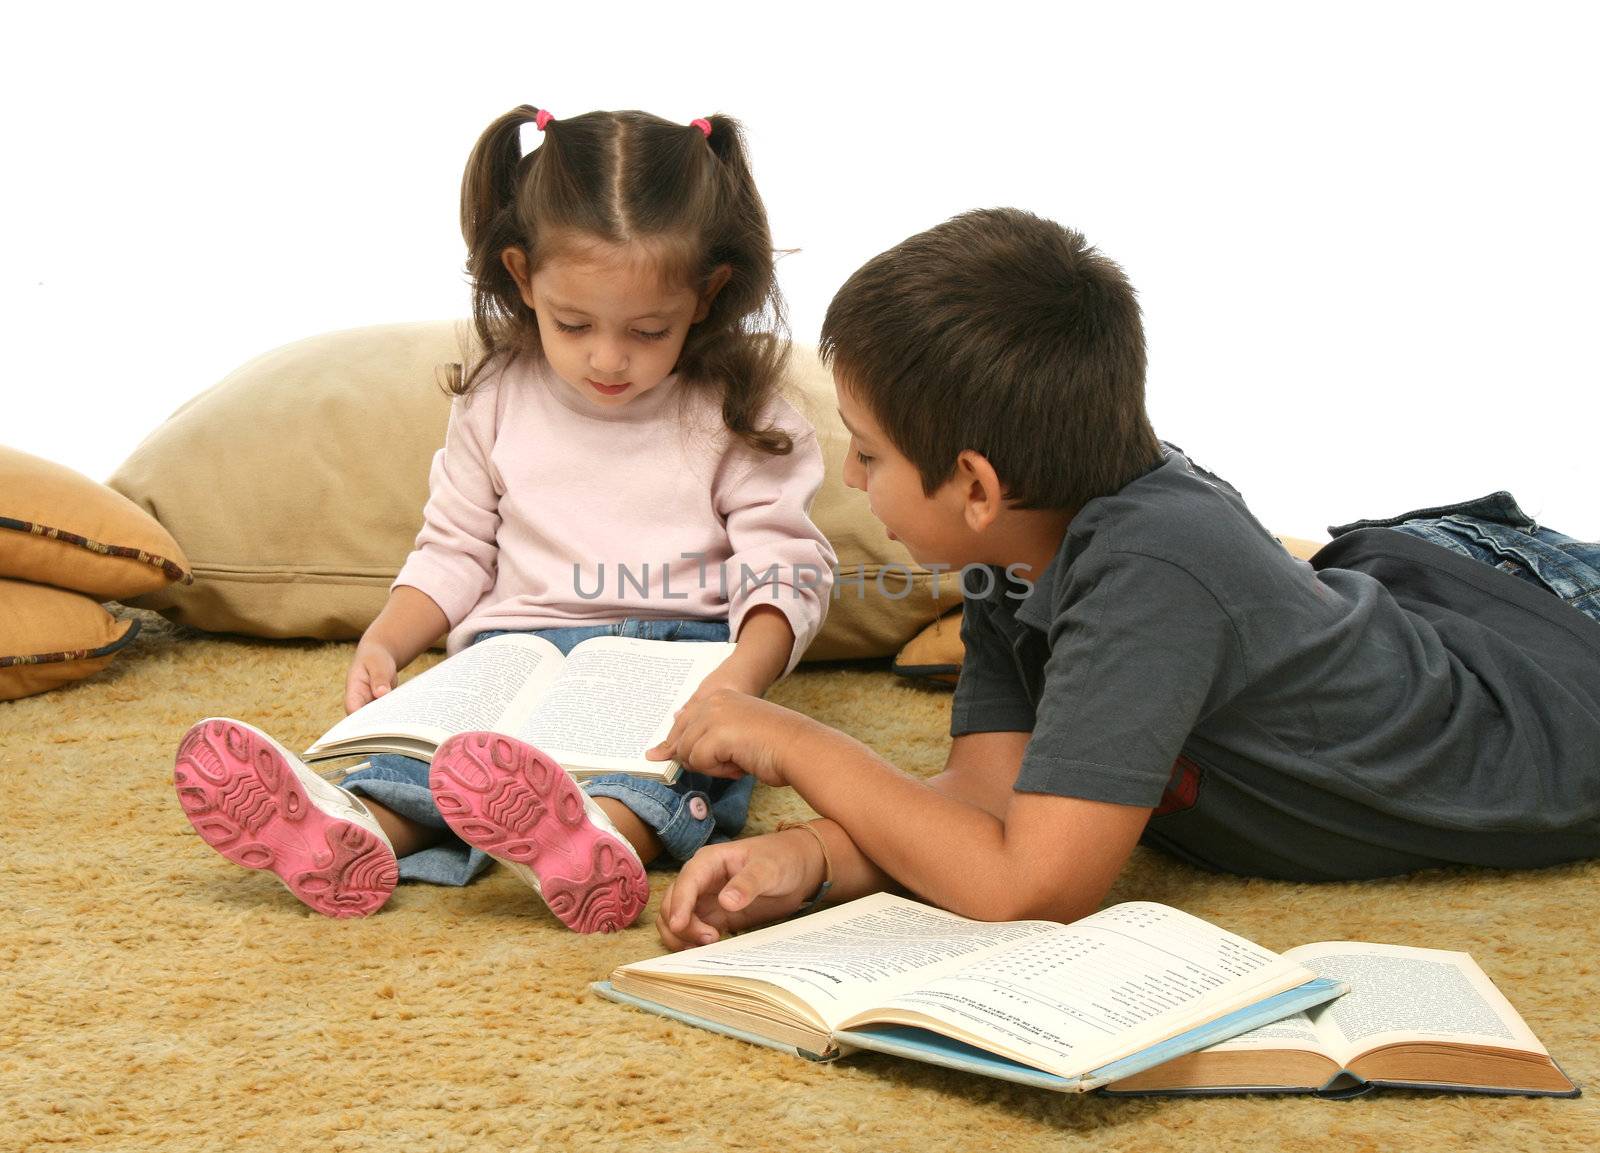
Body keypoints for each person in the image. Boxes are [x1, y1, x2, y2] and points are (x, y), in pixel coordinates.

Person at [649, 206, 1600, 950]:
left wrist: (792, 741)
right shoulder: (1012, 542)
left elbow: (1032, 887)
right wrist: (807, 855)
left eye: (867, 453)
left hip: (1556, 672)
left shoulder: (1149, 568)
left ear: (975, 484)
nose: (850, 480)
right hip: (1422, 594)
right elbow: (989, 799)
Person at [173, 106, 835, 931]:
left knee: (657, 768)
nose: (607, 357)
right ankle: (351, 833)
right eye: (574, 323)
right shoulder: (497, 396)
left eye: (647, 330)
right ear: (523, 278)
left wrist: (740, 679)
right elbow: (454, 547)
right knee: (432, 756)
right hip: (512, 652)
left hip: (673, 655)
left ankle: (600, 843)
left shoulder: (743, 409)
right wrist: (388, 639)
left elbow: (786, 566)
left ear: (708, 294)